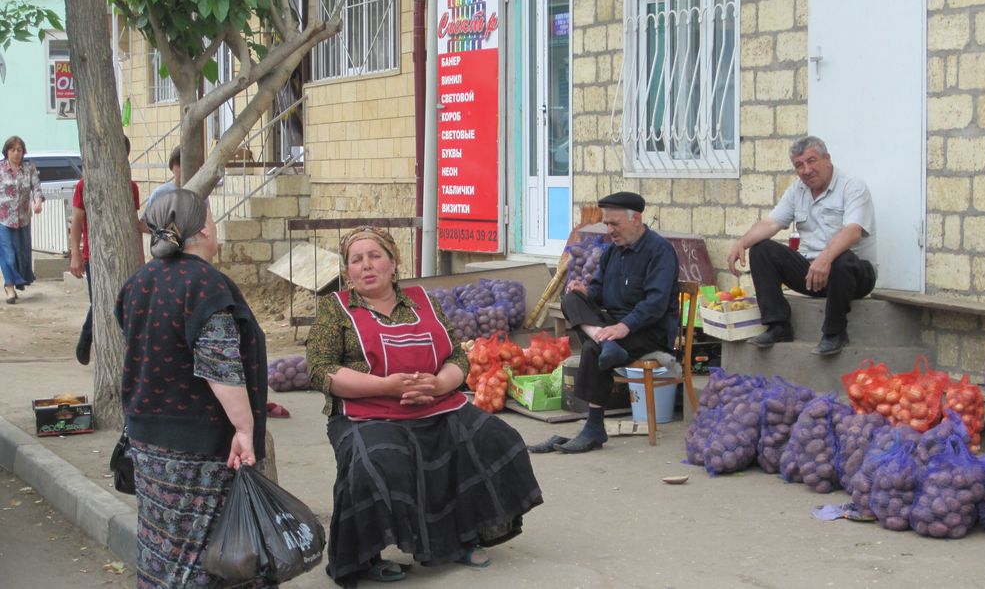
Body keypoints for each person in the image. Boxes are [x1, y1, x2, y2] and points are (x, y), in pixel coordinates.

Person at [306, 226, 542, 587]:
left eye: (375, 256)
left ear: (393, 262)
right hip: (366, 412)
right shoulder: (334, 310)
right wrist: (386, 386)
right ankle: (365, 556)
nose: (367, 266)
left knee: (494, 438)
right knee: (380, 461)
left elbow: (455, 357)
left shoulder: (423, 301)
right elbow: (320, 371)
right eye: (357, 260)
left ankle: (463, 537)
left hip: (435, 403)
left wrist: (439, 384)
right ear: (348, 271)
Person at [116, 189, 271, 589]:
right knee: (205, 557)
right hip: (199, 447)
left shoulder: (139, 281)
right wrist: (244, 430)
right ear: (203, 227)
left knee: (162, 550)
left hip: (147, 441)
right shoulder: (206, 285)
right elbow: (220, 367)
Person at [531, 191, 680, 455]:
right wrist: (584, 292)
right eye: (607, 224)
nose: (610, 230)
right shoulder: (612, 252)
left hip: (648, 330)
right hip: (611, 326)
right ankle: (603, 339)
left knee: (592, 348)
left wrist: (625, 327)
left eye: (615, 224)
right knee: (570, 300)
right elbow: (598, 290)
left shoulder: (660, 252)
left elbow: (655, 304)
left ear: (636, 219)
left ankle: (594, 426)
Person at [726, 135, 877, 356]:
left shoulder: (852, 187)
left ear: (827, 159)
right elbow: (771, 223)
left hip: (853, 276)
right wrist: (742, 242)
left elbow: (853, 231)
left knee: (842, 259)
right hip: (813, 275)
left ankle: (834, 334)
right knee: (762, 248)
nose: (806, 170)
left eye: (812, 161)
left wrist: (825, 258)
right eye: (799, 165)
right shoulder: (797, 190)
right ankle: (778, 326)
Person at [69, 135, 145, 365]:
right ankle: (87, 336)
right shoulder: (85, 184)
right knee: (100, 301)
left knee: (124, 302)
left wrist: (140, 258)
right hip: (94, 255)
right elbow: (76, 221)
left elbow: (134, 224)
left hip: (124, 254)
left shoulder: (130, 187)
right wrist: (75, 254)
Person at [0, 136, 44, 304]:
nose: (16, 153)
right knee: (7, 255)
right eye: (13, 150)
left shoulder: (29, 168)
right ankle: (9, 287)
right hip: (3, 219)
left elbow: (37, 189)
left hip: (23, 219)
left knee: (21, 255)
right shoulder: (1, 169)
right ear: (7, 152)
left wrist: (37, 203)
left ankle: (17, 280)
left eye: (19, 150)